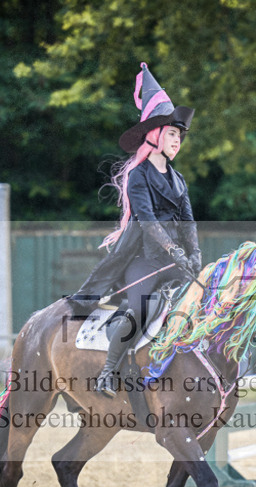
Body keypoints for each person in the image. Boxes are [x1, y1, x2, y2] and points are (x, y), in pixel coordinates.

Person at [69, 62, 201, 397]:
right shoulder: (139, 176)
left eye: (180, 136)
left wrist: (194, 253)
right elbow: (146, 219)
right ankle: (107, 374)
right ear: (154, 135)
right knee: (142, 309)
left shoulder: (178, 180)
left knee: (201, 304)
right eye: (172, 134)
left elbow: (187, 220)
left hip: (175, 263)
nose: (177, 141)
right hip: (143, 261)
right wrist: (173, 249)